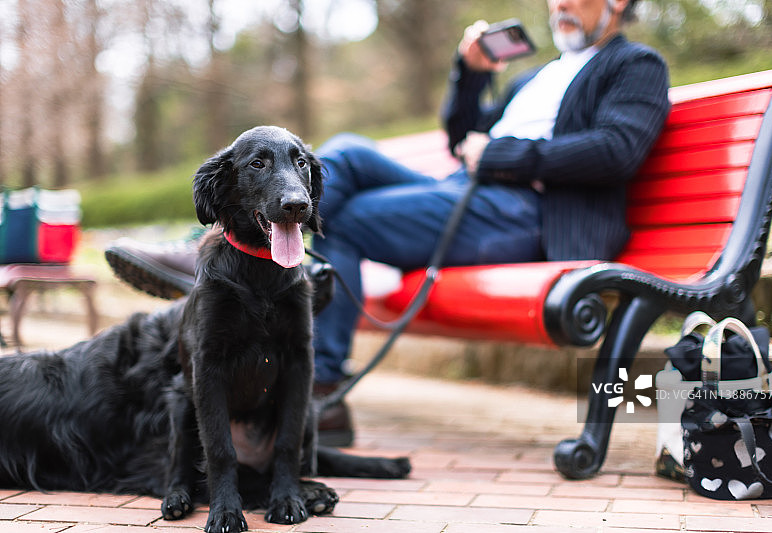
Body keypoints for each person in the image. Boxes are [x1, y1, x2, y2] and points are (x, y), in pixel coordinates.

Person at [105, 0, 670, 447]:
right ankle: (219, 247)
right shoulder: (536, 77)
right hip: (469, 193)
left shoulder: (635, 65)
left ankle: (319, 383)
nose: (560, 5)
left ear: (618, 2)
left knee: (340, 221)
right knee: (346, 150)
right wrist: (470, 75)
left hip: (535, 216)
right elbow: (462, 138)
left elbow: (616, 150)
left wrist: (500, 157)